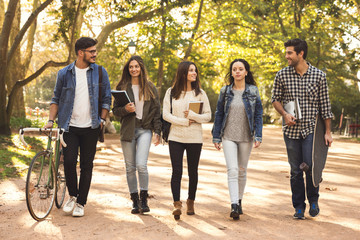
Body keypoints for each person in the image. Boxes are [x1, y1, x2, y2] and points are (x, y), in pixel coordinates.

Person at [44, 37, 111, 217]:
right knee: (69, 162)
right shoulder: (64, 73)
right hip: (69, 127)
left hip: (91, 128)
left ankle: (81, 202)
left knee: (87, 165)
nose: (95, 54)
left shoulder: (100, 72)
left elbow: (106, 99)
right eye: (92, 51)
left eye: (95, 51)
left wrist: (102, 120)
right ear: (81, 53)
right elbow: (55, 99)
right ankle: (73, 196)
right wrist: (51, 120)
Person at [271, 38, 333, 219]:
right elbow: (275, 99)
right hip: (291, 131)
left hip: (311, 130)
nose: (286, 56)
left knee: (311, 166)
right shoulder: (282, 75)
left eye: (290, 53)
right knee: (296, 170)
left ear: (300, 54)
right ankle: (299, 207)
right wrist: (284, 114)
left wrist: (328, 132)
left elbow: (325, 106)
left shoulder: (319, 76)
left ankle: (314, 200)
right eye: (286, 52)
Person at [212, 59, 263, 220]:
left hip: (246, 137)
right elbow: (219, 113)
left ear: (246, 72)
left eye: (241, 69)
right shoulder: (225, 91)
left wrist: (258, 135)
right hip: (228, 136)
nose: (238, 72)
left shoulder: (253, 91)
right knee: (232, 170)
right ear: (232, 72)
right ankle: (234, 204)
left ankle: (239, 200)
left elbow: (259, 114)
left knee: (241, 170)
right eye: (234, 69)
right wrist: (216, 135)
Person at [162, 61, 211, 220]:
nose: (194, 73)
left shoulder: (200, 93)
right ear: (183, 73)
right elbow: (165, 115)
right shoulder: (171, 92)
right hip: (175, 136)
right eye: (191, 70)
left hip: (194, 137)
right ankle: (177, 204)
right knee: (177, 171)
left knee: (193, 171)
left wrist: (193, 116)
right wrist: (183, 121)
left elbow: (208, 115)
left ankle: (191, 201)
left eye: (195, 71)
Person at [112, 55, 161, 214]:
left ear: (141, 68)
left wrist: (157, 131)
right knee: (130, 167)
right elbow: (115, 112)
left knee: (141, 165)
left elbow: (156, 111)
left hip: (145, 130)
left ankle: (144, 199)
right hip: (128, 130)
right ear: (128, 69)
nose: (134, 69)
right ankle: (135, 201)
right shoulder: (121, 87)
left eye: (136, 66)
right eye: (131, 67)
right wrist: (126, 110)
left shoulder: (150, 87)